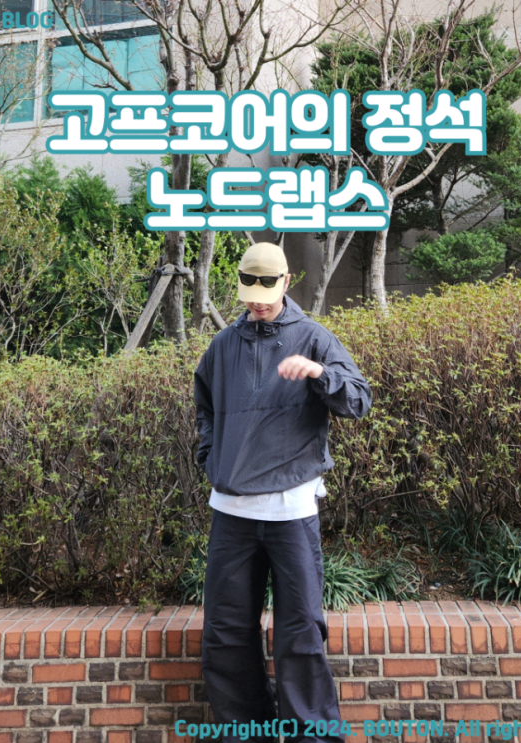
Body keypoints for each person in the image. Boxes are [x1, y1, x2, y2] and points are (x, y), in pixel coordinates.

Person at [194, 242, 372, 743]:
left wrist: (320, 374)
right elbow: (204, 406)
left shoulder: (313, 338)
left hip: (291, 509)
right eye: (249, 290)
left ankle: (311, 736)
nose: (257, 300)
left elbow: (359, 400)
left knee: (300, 631)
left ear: (287, 282)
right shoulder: (223, 345)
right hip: (231, 510)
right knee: (225, 632)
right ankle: (245, 733)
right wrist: (210, 457)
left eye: (266, 289)